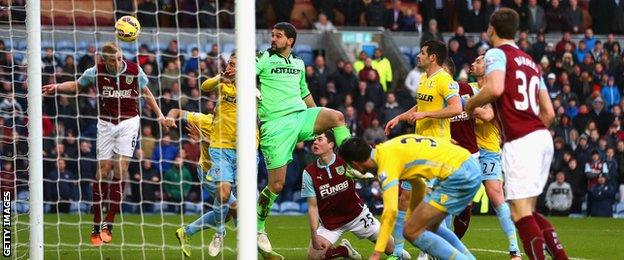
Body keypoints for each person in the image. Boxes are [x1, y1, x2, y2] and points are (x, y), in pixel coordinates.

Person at [465, 8, 568, 260]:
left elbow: (496, 87)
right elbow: (550, 113)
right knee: (526, 211)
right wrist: (530, 131)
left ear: (491, 29)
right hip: (541, 137)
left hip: (523, 141)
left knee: (520, 213)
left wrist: (470, 105)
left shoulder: (496, 53)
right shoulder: (530, 61)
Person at [42, 42, 167, 246]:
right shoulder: (96, 71)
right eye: (114, 60)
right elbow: (76, 85)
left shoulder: (135, 70)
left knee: (121, 168)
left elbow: (146, 93)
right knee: (104, 170)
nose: (119, 62)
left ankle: (109, 222)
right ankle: (96, 222)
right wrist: (57, 87)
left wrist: (160, 115)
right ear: (105, 60)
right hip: (106, 123)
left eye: (120, 58)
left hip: (129, 121)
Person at [254, 22, 355, 253]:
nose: (273, 39)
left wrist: (318, 120)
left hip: (300, 116)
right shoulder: (263, 58)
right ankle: (259, 227)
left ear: (290, 40)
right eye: (272, 35)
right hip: (276, 125)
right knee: (276, 185)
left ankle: (349, 164)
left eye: (278, 36)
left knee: (337, 117)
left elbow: (305, 94)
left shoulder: (299, 63)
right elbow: (244, 78)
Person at [171, 53, 259, 257]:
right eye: (229, 63)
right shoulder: (207, 117)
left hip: (235, 158)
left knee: (231, 209)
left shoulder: (250, 93)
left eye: (234, 65)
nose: (229, 67)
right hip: (209, 167)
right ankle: (237, 238)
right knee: (234, 204)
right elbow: (203, 88)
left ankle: (187, 231)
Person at [339, 135, 480, 260]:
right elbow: (417, 184)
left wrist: (377, 253)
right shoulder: (388, 148)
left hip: (458, 174)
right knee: (429, 226)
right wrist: (414, 214)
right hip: (468, 163)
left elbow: (390, 213)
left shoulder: (386, 166)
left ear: (355, 164)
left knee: (410, 231)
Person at [384, 40, 462, 260]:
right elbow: (421, 106)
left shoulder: (445, 80)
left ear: (433, 57)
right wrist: (400, 117)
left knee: (433, 206)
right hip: (420, 147)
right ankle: (398, 253)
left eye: (422, 53)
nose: (418, 56)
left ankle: (437, 253)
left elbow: (456, 108)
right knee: (405, 199)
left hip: (437, 151)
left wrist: (426, 115)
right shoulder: (423, 78)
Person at [303, 131, 409, 260]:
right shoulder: (309, 173)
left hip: (358, 215)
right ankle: (344, 250)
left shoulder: (345, 161)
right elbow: (312, 207)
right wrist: (314, 235)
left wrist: (366, 176)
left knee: (403, 256)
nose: (315, 142)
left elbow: (367, 170)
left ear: (331, 144)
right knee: (312, 257)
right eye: (314, 140)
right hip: (331, 223)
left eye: (319, 139)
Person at [456, 56, 522, 259]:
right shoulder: (467, 87)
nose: (473, 63)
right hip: (466, 150)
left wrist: (464, 106)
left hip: (489, 151)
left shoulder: (496, 90)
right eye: (473, 60)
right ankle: (450, 245)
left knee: (496, 196)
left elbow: (487, 116)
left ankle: (514, 250)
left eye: (478, 61)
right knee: (460, 202)